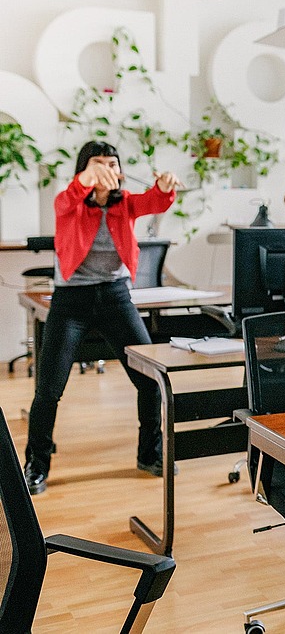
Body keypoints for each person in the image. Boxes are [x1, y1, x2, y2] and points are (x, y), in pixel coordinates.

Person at [23, 141, 180, 495]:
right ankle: (35, 465)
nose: (107, 169)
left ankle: (149, 453)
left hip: (115, 297)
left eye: (112, 163)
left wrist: (165, 188)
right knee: (49, 390)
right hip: (71, 301)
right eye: (98, 163)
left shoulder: (125, 204)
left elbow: (153, 200)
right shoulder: (69, 202)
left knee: (149, 378)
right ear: (84, 169)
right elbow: (66, 200)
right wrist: (85, 181)